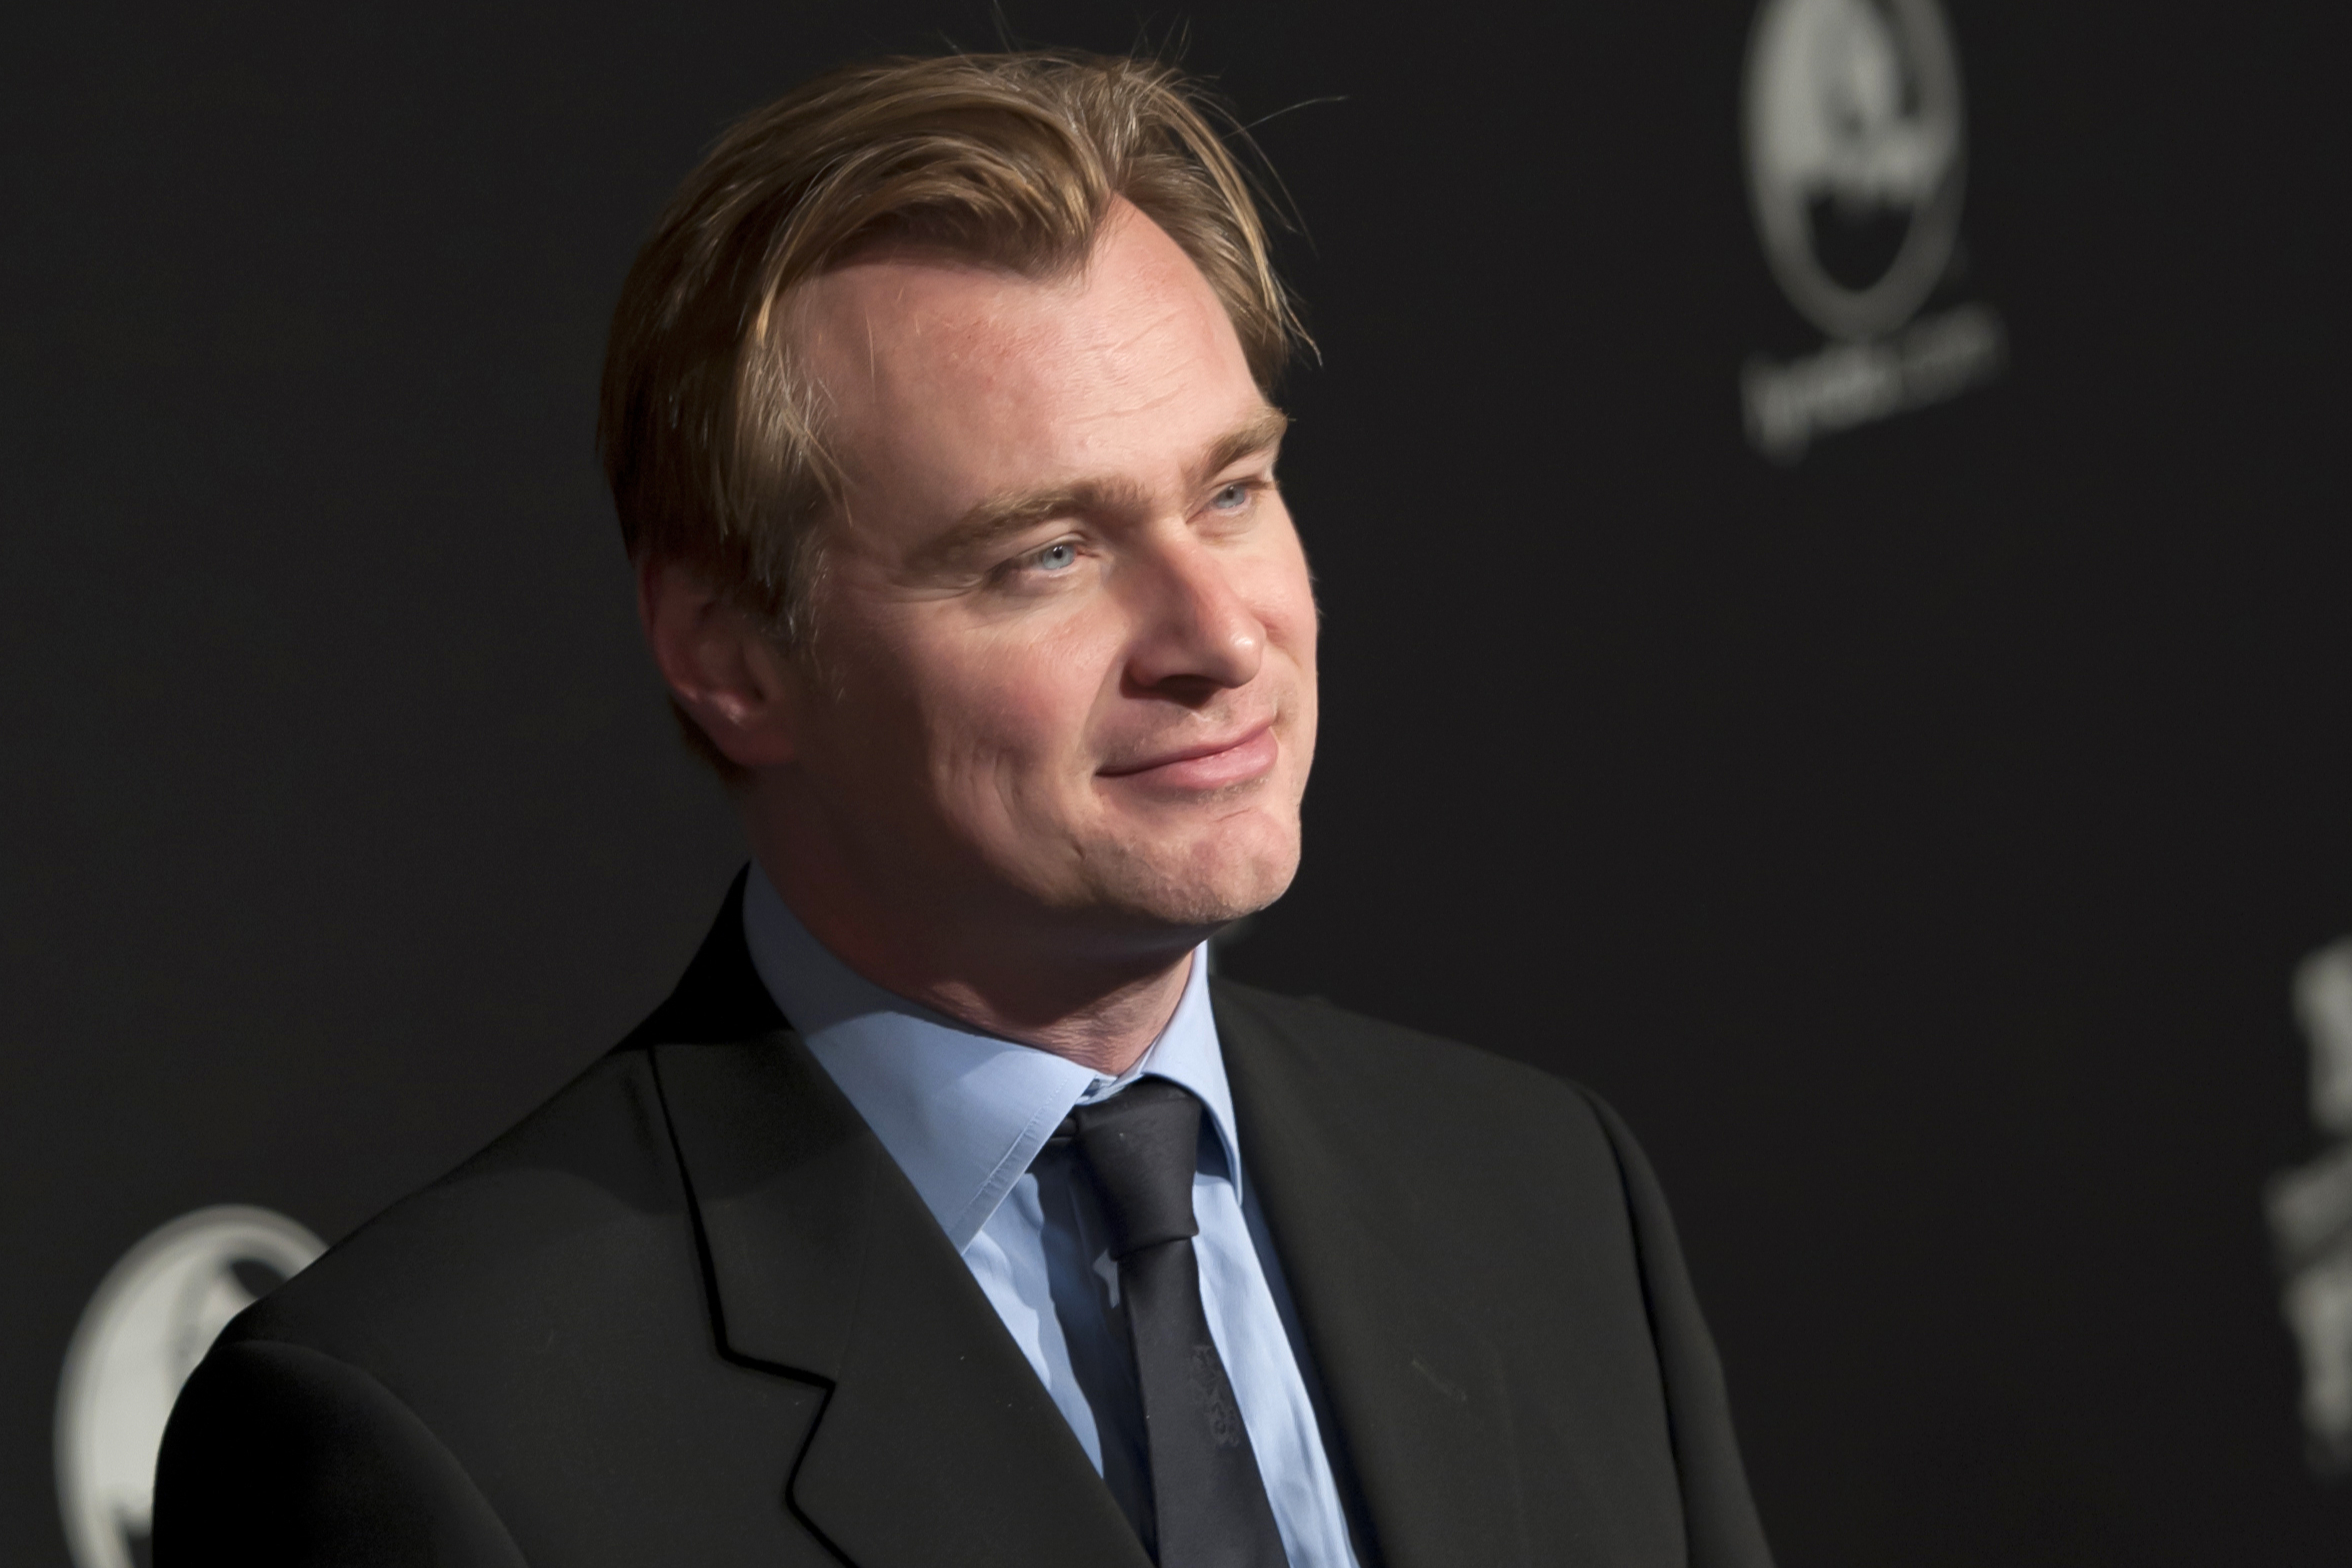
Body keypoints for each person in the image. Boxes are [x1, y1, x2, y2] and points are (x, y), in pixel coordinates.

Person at [155, 50, 1773, 1568]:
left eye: (1232, 490)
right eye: (1048, 555)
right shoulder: (439, 1427)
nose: (1219, 640)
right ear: (731, 655)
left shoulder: (1546, 1192)